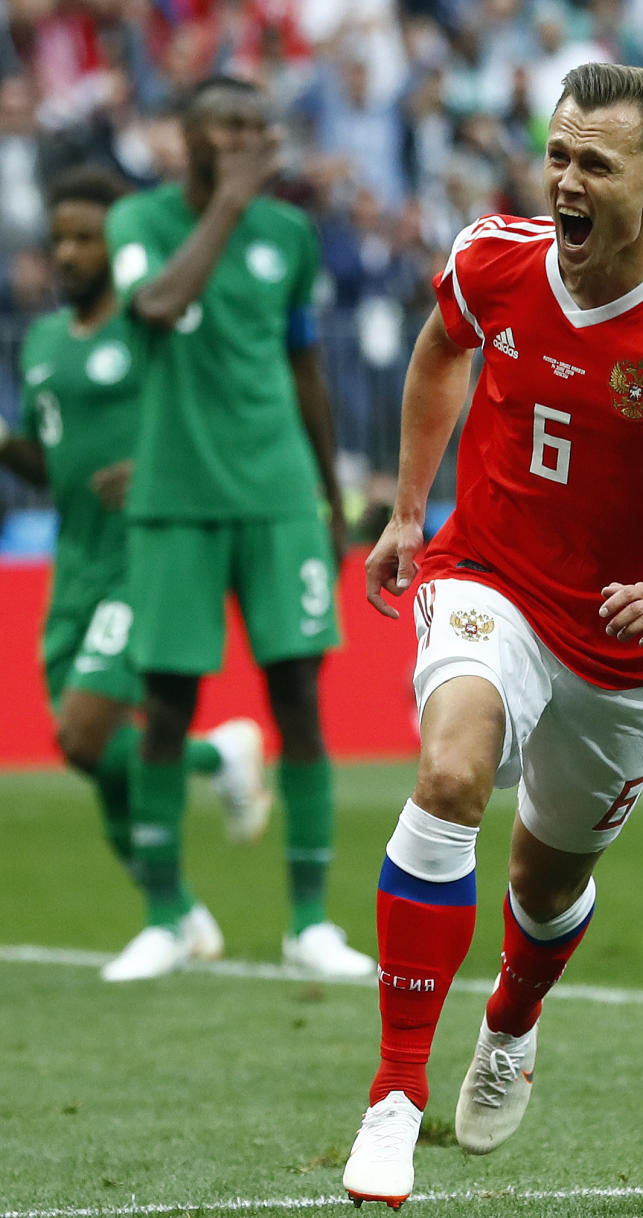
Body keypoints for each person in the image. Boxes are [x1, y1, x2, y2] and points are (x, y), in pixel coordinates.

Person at [342, 62, 643, 1209]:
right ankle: (393, 1098)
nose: (564, 181)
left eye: (594, 165)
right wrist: (411, 509)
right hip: (492, 577)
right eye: (556, 155)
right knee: (451, 771)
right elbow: (439, 350)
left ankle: (512, 1020)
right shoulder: (492, 257)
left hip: (627, 643)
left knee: (546, 882)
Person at [101, 76, 375, 983]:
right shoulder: (138, 223)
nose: (251, 140)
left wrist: (331, 498)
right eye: (230, 125)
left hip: (279, 493)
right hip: (176, 493)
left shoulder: (290, 235)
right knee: (167, 708)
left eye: (260, 126)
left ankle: (309, 923)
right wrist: (224, 204)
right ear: (188, 136)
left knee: (298, 698)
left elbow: (303, 363)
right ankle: (167, 914)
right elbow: (156, 308)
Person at [0, 165, 272, 962]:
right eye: (60, 239)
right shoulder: (47, 343)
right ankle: (180, 906)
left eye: (87, 236)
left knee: (86, 736)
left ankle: (214, 773)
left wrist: (156, 471)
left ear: (120, 241)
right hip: (75, 563)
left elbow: (216, 418)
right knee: (91, 754)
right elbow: (53, 466)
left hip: (145, 554)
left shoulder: (152, 329)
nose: (70, 253)